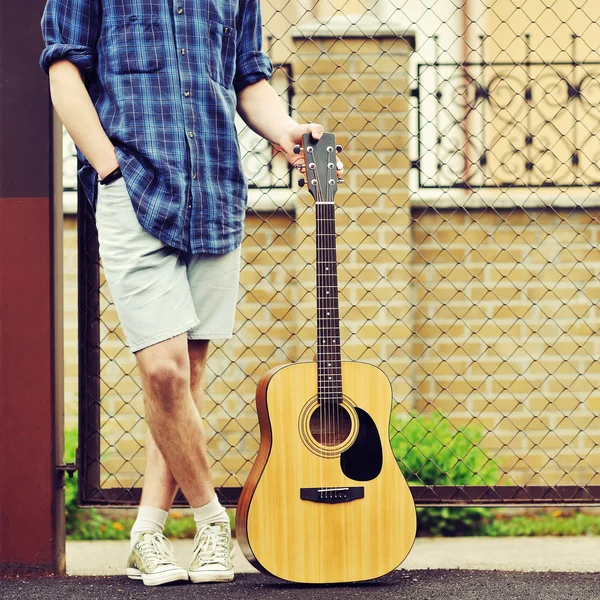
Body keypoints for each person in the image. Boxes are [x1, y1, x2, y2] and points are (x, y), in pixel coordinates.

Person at [40, 0, 342, 587]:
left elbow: (248, 79)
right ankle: (213, 520)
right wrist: (109, 171)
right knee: (164, 372)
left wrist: (286, 130)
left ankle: (147, 534)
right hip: (134, 188)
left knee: (189, 377)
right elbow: (63, 72)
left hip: (215, 191)